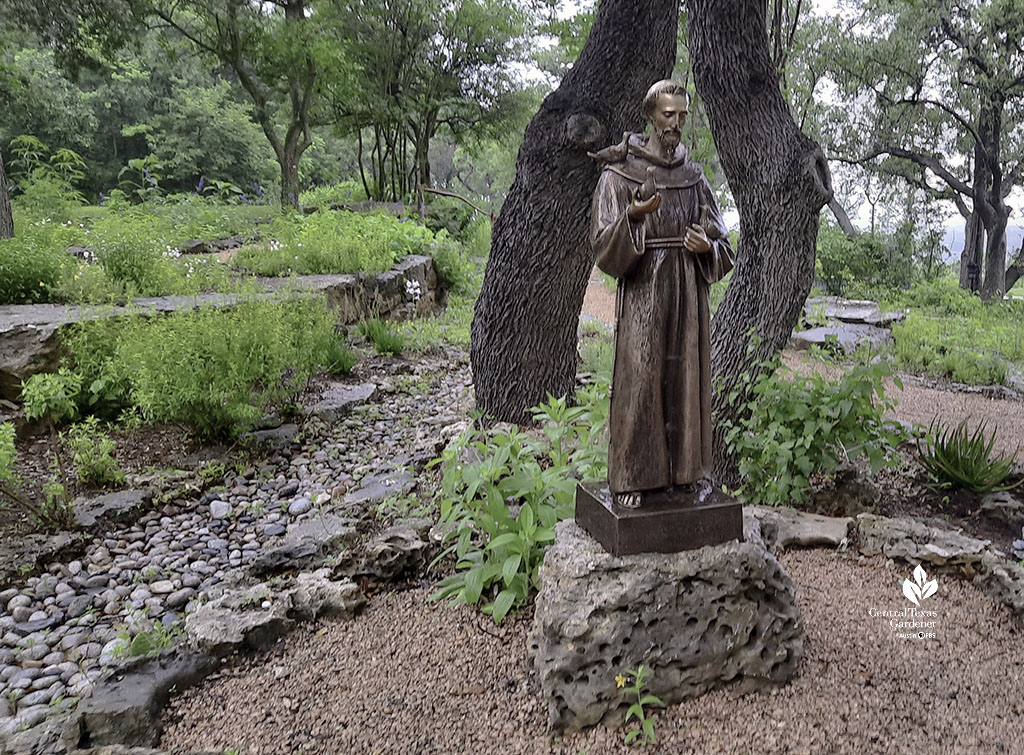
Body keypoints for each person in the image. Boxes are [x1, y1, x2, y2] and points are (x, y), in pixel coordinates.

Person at [589, 79, 735, 508]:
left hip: (688, 293)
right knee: (640, 379)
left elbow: (723, 240)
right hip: (643, 292)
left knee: (686, 380)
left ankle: (686, 475)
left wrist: (706, 246)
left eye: (682, 116)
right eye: (668, 115)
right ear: (651, 115)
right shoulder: (620, 174)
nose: (675, 124)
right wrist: (633, 217)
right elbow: (600, 241)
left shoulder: (694, 178)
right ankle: (634, 476)